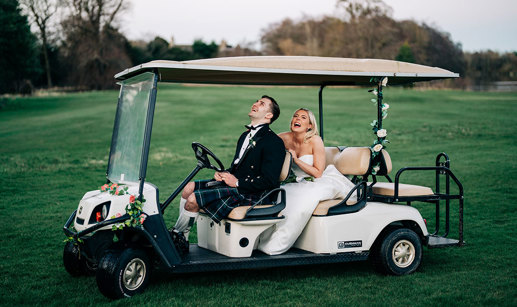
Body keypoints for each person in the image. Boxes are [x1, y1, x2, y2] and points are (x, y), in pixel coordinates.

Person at [172, 95, 285, 254]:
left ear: (269, 116)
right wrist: (224, 174)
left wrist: (237, 183)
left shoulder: (274, 142)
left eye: (262, 104)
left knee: (193, 199)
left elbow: (270, 180)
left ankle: (178, 238)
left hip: (253, 194)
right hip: (237, 186)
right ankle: (180, 237)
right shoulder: (245, 136)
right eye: (256, 101)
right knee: (188, 188)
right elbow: (237, 167)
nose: (255, 104)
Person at [258, 108, 356, 255]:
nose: (297, 119)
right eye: (295, 116)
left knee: (301, 203)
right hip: (296, 182)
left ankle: (276, 246)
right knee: (279, 197)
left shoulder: (315, 140)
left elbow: (318, 172)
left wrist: (295, 159)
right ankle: (262, 240)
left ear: (310, 125)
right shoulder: (283, 138)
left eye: (303, 118)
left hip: (318, 181)